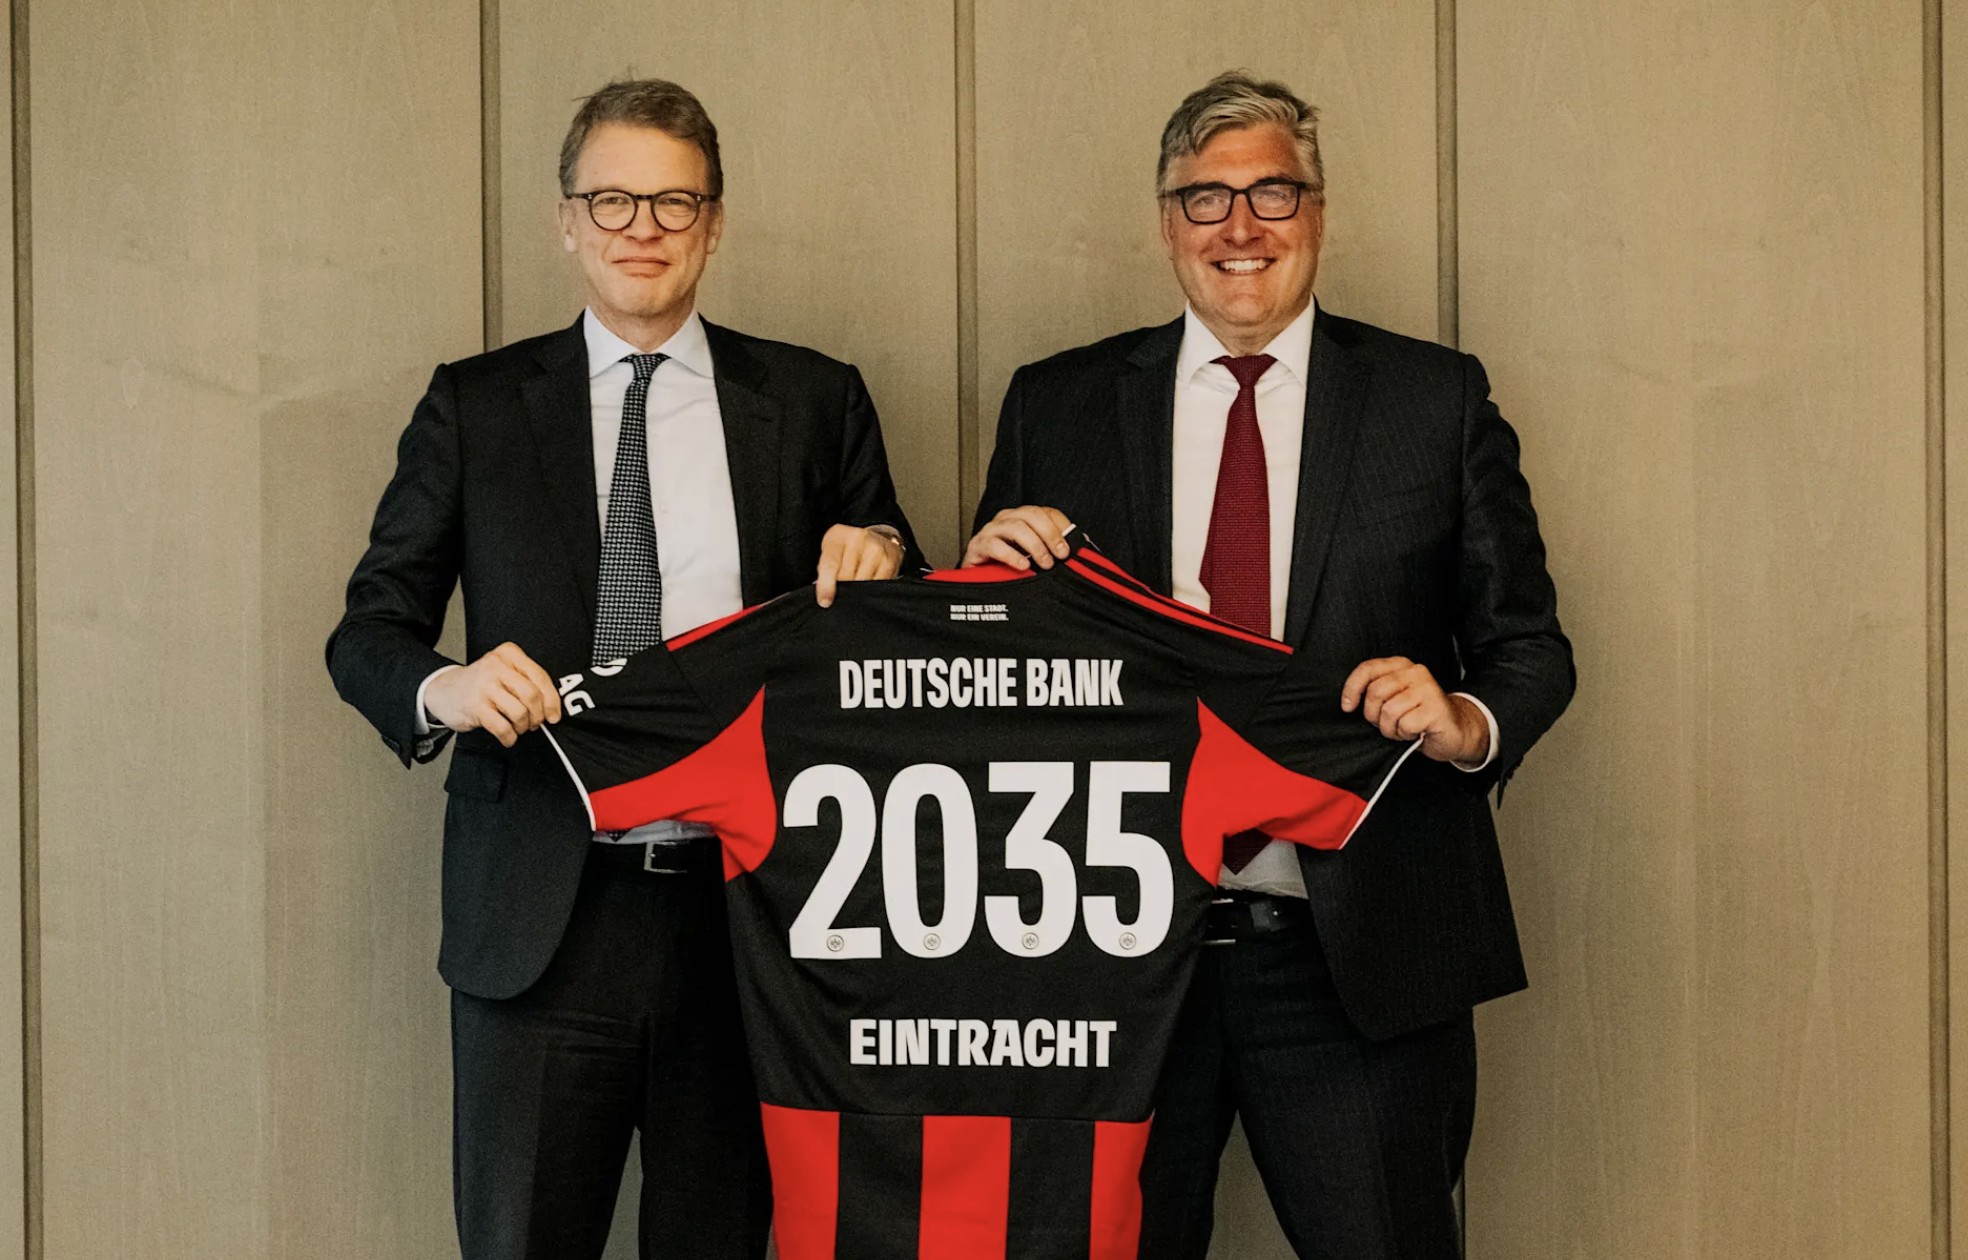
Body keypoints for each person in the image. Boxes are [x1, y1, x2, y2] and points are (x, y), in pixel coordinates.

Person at [966, 70, 1573, 1259]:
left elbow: (1529, 648)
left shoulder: (1433, 400)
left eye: (1272, 193)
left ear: (1319, 212)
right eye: (1206, 197)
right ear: (1167, 223)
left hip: (1363, 955)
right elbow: (1001, 689)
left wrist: (1464, 719)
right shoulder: (1057, 405)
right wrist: (983, 592)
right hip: (1116, 958)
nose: (1240, 225)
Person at [327, 77, 920, 1260]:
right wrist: (445, 688)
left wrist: (887, 557)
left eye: (672, 202)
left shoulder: (812, 400)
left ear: (715, 222)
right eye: (612, 201)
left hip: (749, 921)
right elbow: (368, 633)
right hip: (541, 915)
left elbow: (898, 619)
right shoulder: (477, 407)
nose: (642, 228)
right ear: (566, 220)